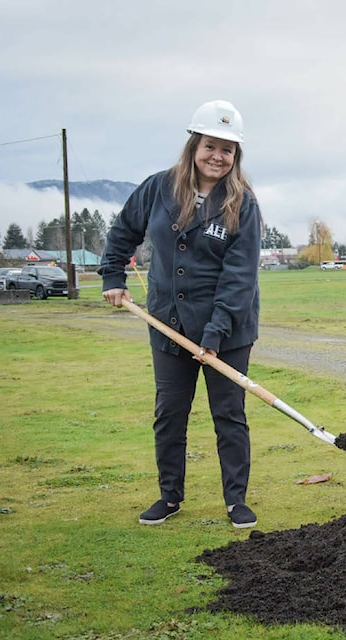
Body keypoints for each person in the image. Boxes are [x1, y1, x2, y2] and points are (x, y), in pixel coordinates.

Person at [98, 100, 262, 528]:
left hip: (228, 329)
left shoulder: (243, 203)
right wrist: (112, 275)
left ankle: (235, 500)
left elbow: (239, 277)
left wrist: (216, 332)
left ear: (235, 156)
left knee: (229, 414)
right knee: (170, 412)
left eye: (227, 150)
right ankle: (170, 496)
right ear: (194, 145)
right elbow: (121, 233)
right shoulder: (158, 188)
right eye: (211, 145)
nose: (218, 157)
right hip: (167, 323)